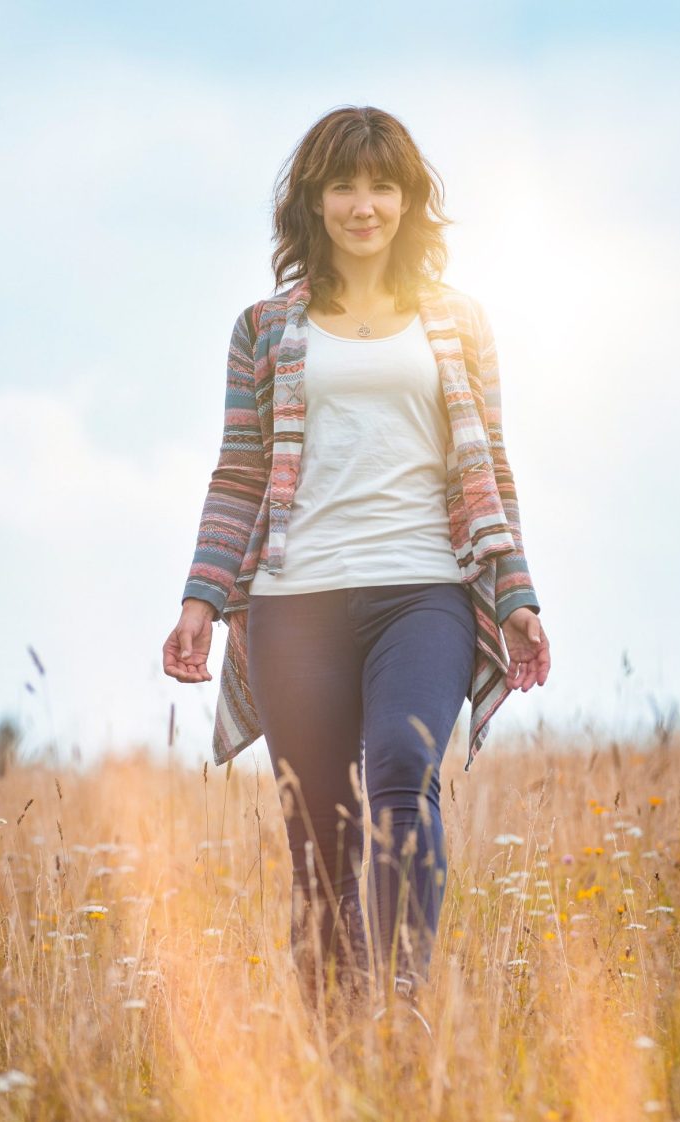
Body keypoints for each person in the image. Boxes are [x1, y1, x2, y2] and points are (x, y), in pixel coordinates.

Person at [162, 106, 550, 1024]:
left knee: (402, 768)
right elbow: (242, 469)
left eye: (382, 185)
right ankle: (338, 1023)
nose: (363, 204)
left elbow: (486, 465)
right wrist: (201, 597)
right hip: (295, 599)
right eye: (344, 184)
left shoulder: (460, 323)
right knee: (320, 830)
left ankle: (404, 994)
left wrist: (519, 595)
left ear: (409, 199)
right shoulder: (263, 328)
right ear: (314, 200)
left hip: (426, 588)